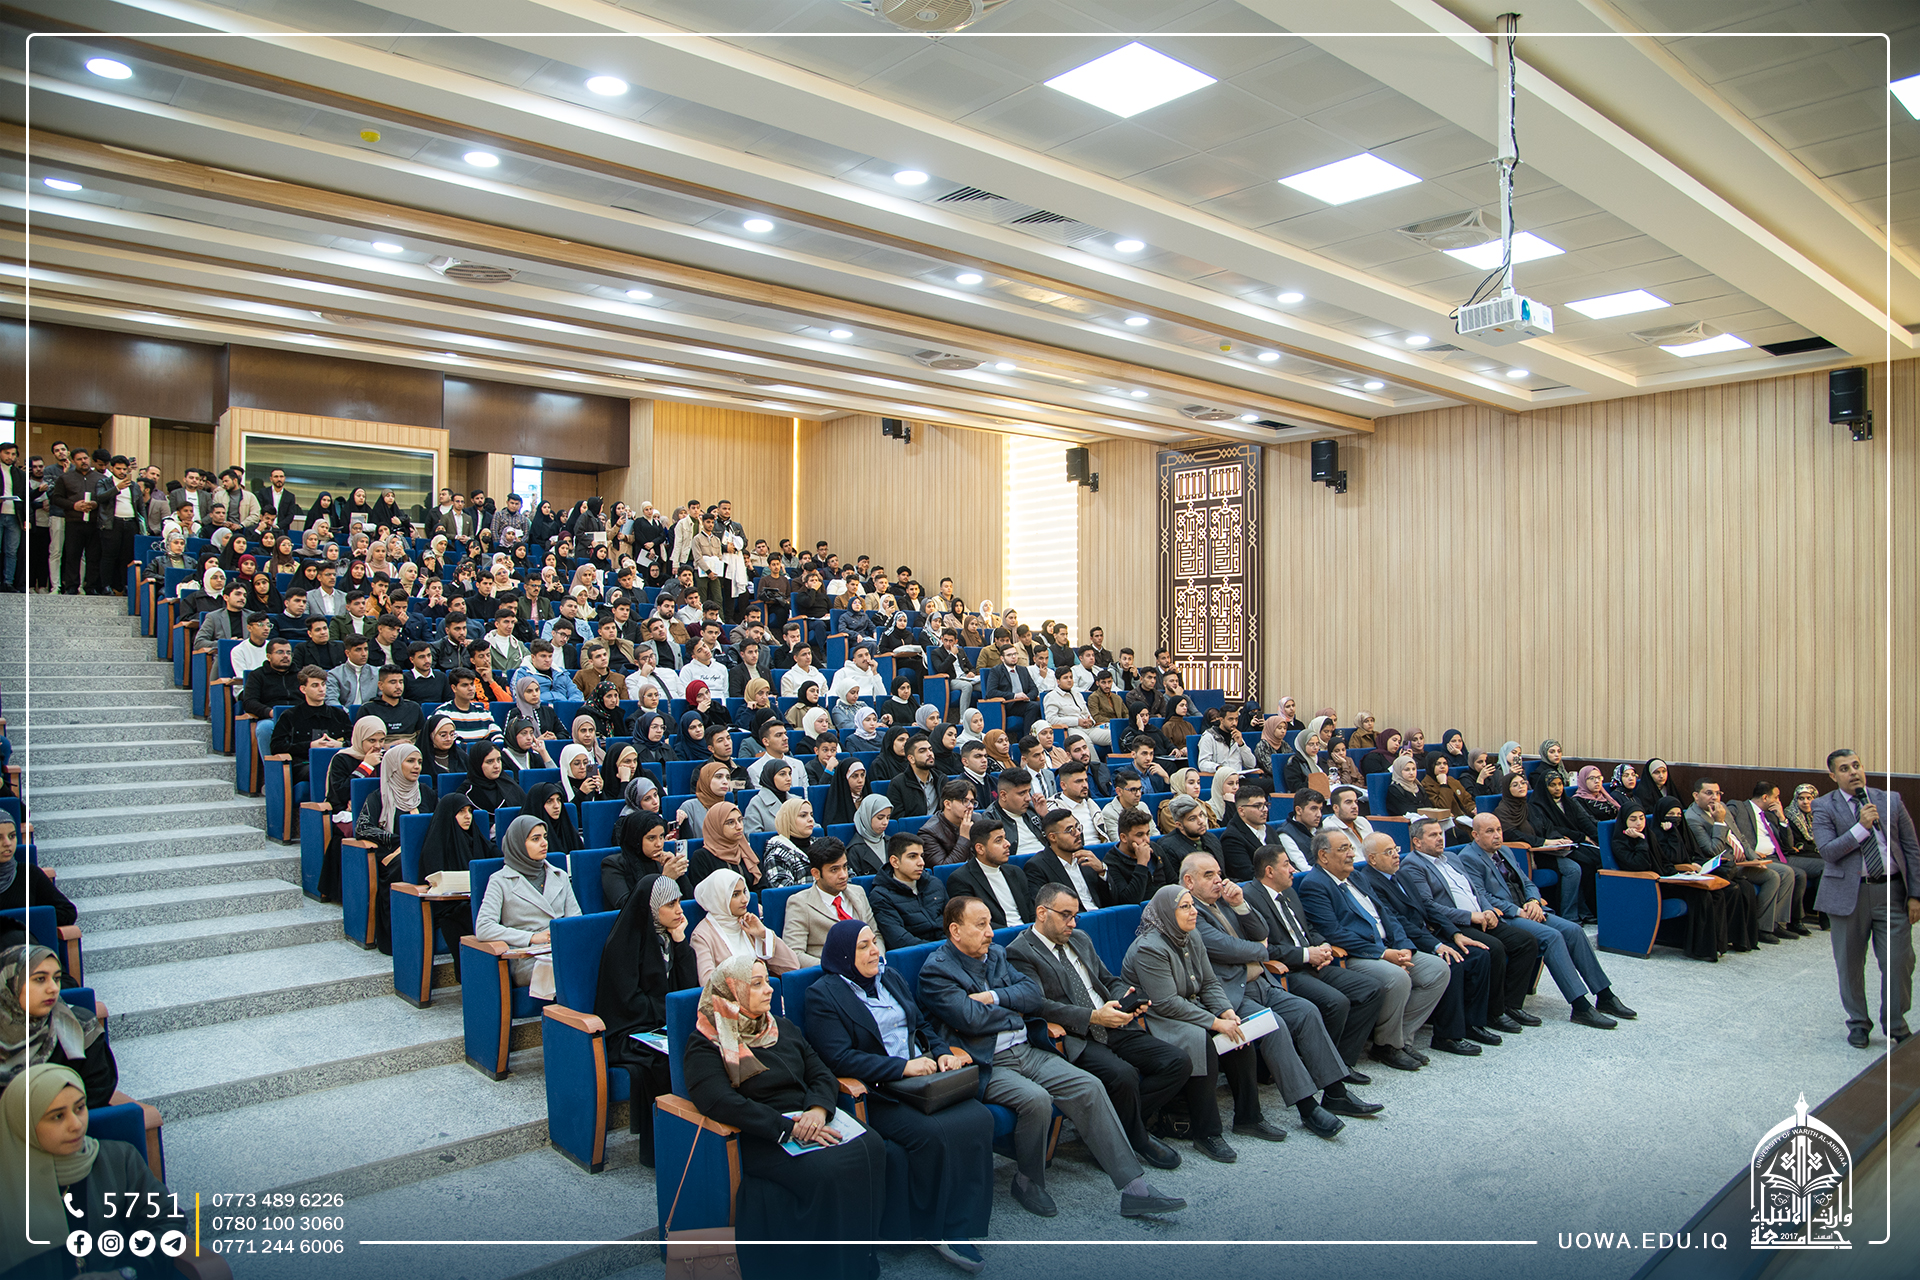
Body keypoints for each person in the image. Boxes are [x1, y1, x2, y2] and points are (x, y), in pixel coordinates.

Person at [917, 896, 1185, 1220]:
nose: (990, 932)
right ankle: (1027, 1180)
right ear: (956, 931)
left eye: (990, 923)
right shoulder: (936, 971)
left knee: (1089, 1085)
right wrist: (1014, 1010)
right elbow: (971, 1019)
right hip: (987, 1062)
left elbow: (1032, 996)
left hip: (1028, 1049)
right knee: (1037, 1099)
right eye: (981, 925)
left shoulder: (996, 954)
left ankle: (1135, 1190)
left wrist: (993, 997)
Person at [683, 954, 887, 1280]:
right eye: (757, 984)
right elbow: (718, 1101)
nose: (769, 990)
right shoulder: (707, 1042)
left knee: (873, 1146)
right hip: (760, 1133)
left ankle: (857, 1262)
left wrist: (817, 1110)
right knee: (829, 1171)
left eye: (768, 981)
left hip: (809, 1117)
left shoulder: (782, 1027)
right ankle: (826, 1269)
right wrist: (786, 1128)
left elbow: (820, 1073)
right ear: (732, 991)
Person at [804, 920, 994, 1269]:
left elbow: (921, 1025)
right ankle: (935, 1228)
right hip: (880, 1092)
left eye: (873, 942)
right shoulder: (823, 995)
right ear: (843, 954)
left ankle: (962, 1220)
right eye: (863, 946)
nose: (874, 951)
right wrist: (901, 1067)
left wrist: (942, 1052)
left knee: (979, 1118)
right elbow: (838, 1058)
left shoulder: (889, 977)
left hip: (924, 1081)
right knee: (934, 1134)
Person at [1182, 852, 1377, 1135]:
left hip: (1262, 982)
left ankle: (1335, 1093)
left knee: (1307, 1011)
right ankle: (1307, 1108)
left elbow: (1262, 930)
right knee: (1274, 1024)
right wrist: (1260, 949)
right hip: (1228, 996)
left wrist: (1240, 905)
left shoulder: (1225, 902)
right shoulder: (1189, 912)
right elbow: (1226, 948)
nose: (1218, 881)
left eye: (1219, 874)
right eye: (1208, 875)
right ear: (1189, 881)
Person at [1007, 883, 1192, 1169]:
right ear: (1042, 913)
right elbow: (1038, 1005)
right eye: (1066, 915)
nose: (1072, 923)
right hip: (1076, 1035)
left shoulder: (1080, 939)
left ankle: (1111, 1128)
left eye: (1075, 916)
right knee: (1123, 1075)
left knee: (1177, 1062)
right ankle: (1138, 1139)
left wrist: (1125, 998)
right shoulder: (1020, 951)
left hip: (1113, 1022)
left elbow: (1108, 980)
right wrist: (1093, 1016)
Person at [1, 1065, 186, 1280]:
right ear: (24, 1124)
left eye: (80, 1108)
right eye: (58, 1116)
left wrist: (127, 1273)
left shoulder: (118, 1159)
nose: (76, 1124)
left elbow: (167, 1221)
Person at [1456, 814, 1636, 1028]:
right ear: (1475, 835)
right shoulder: (1468, 858)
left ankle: (1604, 995)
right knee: (1552, 936)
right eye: (1490, 831)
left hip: (1529, 909)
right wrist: (1518, 910)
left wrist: (1533, 901)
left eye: (1499, 830)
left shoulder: (1505, 850)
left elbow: (1526, 882)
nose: (1497, 835)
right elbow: (1482, 896)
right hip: (1507, 917)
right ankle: (1580, 1006)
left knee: (1573, 930)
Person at [1294, 830, 1448, 1072]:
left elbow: (1386, 914)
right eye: (1343, 849)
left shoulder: (1357, 876)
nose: (1351, 853)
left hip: (1388, 946)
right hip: (1356, 954)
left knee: (1438, 970)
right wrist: (1383, 954)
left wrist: (1403, 946)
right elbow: (1334, 933)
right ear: (1323, 856)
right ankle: (1387, 1045)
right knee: (1398, 977)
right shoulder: (1315, 885)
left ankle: (1401, 1038)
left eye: (1350, 847)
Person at [1241, 844, 1388, 1074]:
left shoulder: (1288, 891)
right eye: (1286, 864)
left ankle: (1341, 1061)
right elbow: (1263, 950)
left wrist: (1323, 945)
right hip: (1287, 971)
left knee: (1372, 989)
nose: (1293, 870)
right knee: (1336, 1002)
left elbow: (1308, 927)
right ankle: (1324, 1066)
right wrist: (1308, 954)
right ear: (1270, 871)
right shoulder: (1250, 898)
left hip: (1314, 962)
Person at [1812, 749, 1920, 1049]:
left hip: (1892, 892)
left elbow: (1911, 849)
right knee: (1850, 964)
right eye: (1844, 768)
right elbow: (1828, 851)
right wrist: (1861, 828)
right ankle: (1858, 1023)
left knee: (1900, 961)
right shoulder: (1823, 806)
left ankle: (1896, 1023)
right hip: (1848, 894)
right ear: (1833, 776)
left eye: (1856, 765)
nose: (1853, 772)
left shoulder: (1891, 800)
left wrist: (1916, 895)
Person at [1352, 834, 1498, 1056]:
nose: (1396, 855)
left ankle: (1473, 1023)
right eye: (1389, 852)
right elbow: (1398, 922)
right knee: (1453, 963)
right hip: (1407, 940)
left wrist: (1455, 933)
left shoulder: (1401, 873)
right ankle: (1447, 1035)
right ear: (1372, 859)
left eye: (1396, 849)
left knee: (1479, 955)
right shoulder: (1370, 881)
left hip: (1426, 933)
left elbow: (1428, 908)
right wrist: (1437, 945)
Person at [593, 874, 697, 1162]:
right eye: (670, 904)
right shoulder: (622, 944)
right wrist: (669, 1012)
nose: (679, 910)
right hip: (627, 1030)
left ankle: (694, 1138)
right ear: (652, 907)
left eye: (679, 902)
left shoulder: (668, 936)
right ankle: (660, 1151)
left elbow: (687, 989)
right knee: (663, 1062)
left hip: (661, 1023)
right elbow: (627, 1003)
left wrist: (680, 942)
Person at [1611, 801, 1737, 960]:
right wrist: (1641, 841)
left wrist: (1680, 874)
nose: (1638, 823)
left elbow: (1664, 862)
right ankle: (1701, 949)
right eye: (1633, 819)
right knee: (1700, 895)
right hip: (1648, 886)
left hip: (1665, 880)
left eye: (1641, 818)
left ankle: (1717, 945)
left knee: (1716, 893)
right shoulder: (1619, 842)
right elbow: (1640, 865)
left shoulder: (1650, 835)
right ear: (1624, 821)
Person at [0, 945, 117, 1106]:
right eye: (40, 979)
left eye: (56, 978)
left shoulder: (80, 1024)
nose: (54, 989)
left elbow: (98, 1091)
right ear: (11, 982)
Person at [475, 814, 582, 985]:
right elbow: (484, 927)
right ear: (518, 844)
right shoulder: (500, 880)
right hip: (527, 956)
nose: (544, 843)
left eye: (545, 837)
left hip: (562, 948)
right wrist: (531, 937)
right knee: (567, 971)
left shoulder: (559, 875)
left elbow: (575, 920)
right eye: (535, 839)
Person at [1685, 777, 1795, 944]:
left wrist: (1755, 859)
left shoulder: (1721, 807)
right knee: (1772, 876)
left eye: (1717, 793)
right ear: (1696, 795)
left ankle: (1776, 924)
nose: (1714, 797)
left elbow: (1740, 838)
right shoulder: (1693, 818)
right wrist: (1719, 822)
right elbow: (1712, 851)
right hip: (1726, 865)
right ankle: (1761, 928)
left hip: (1744, 860)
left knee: (1787, 872)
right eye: (1709, 793)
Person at [354, 744, 436, 954]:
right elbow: (362, 828)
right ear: (394, 765)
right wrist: (400, 841)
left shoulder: (426, 793)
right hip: (393, 855)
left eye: (419, 762)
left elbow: (439, 822)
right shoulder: (379, 796)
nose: (417, 766)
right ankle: (398, 940)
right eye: (410, 761)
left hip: (425, 851)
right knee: (402, 865)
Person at [1731, 780, 1821, 933]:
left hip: (1779, 856)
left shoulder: (1770, 815)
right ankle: (1774, 924)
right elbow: (1728, 827)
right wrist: (1748, 851)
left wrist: (1782, 818)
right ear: (1765, 797)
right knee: (1790, 873)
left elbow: (1788, 845)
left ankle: (1790, 921)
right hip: (1757, 858)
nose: (1778, 801)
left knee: (1802, 873)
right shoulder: (1739, 807)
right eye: (1776, 797)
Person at [689, 867, 801, 982]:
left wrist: (763, 934)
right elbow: (708, 983)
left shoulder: (748, 924)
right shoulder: (702, 936)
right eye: (735, 895)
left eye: (744, 892)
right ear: (719, 899)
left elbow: (792, 966)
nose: (745, 899)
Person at [1524, 770, 1603, 925]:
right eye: (1553, 785)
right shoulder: (1538, 805)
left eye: (1560, 784)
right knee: (1584, 864)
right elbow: (1552, 829)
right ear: (1545, 787)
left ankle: (1592, 909)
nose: (1558, 788)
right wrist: (1580, 837)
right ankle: (1580, 911)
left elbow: (1583, 821)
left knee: (1597, 858)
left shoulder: (1568, 802)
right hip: (1552, 849)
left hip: (1569, 843)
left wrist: (1597, 836)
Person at [780, 838, 875, 967]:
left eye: (845, 867)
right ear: (816, 873)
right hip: (831, 973)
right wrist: (837, 967)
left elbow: (875, 934)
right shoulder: (800, 904)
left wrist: (877, 958)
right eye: (834, 870)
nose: (843, 875)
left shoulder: (858, 892)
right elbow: (794, 954)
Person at [416, 793, 488, 946]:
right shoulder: (434, 848)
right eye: (461, 811)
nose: (468, 816)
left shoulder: (477, 839)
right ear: (449, 814)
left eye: (469, 811)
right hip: (449, 906)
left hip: (479, 899)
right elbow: (436, 884)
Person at [269, 665, 351, 786]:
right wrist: (310, 745)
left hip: (337, 762)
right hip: (303, 765)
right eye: (315, 685)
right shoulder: (290, 716)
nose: (321, 689)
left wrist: (341, 745)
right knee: (321, 770)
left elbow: (355, 742)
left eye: (323, 684)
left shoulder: (339, 714)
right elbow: (276, 747)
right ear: (303, 689)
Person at [945, 823, 1034, 928]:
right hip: (995, 935)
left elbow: (1031, 912)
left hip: (1027, 932)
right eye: (998, 841)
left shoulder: (1016, 872)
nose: (1007, 844)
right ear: (980, 849)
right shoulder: (961, 879)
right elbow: (974, 922)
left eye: (1005, 838)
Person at [870, 835, 950, 950]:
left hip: (950, 949)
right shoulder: (881, 896)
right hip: (917, 954)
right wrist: (941, 949)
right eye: (912, 856)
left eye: (922, 856)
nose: (921, 862)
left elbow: (953, 921)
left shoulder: (934, 884)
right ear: (895, 862)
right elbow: (899, 940)